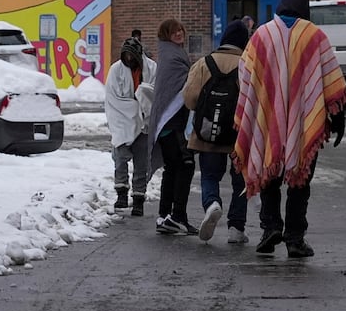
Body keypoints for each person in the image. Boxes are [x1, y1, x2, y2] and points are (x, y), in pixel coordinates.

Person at [232, 0, 346, 259]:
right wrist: (338, 119)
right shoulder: (315, 36)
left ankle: (270, 227)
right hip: (306, 119)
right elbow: (331, 81)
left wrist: (256, 104)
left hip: (266, 117)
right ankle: (295, 238)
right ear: (304, 8)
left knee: (269, 174)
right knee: (300, 180)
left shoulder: (261, 34)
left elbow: (245, 75)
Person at [184, 19, 252, 243]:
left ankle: (212, 203)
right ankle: (236, 228)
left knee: (210, 175)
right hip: (238, 135)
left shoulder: (205, 63)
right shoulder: (247, 64)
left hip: (207, 132)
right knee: (240, 180)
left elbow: (190, 99)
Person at [148, 18, 196, 235]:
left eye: (180, 29)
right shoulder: (172, 56)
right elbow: (181, 86)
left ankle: (165, 216)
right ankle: (177, 216)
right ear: (166, 34)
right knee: (184, 166)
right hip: (172, 123)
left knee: (173, 168)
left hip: (169, 124)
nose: (179, 33)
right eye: (174, 31)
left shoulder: (170, 53)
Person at [104, 36, 156, 216]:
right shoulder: (115, 70)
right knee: (120, 160)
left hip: (144, 124)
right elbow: (112, 99)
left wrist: (143, 97)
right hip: (122, 122)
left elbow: (154, 93)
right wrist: (134, 105)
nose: (129, 60)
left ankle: (138, 199)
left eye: (132, 56)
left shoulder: (151, 68)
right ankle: (121, 194)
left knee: (142, 163)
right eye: (125, 56)